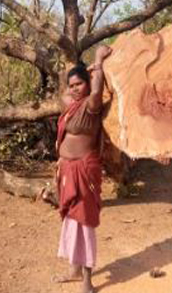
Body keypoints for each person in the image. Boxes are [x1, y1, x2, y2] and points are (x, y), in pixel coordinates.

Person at [52, 45, 112, 293]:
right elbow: (65, 94)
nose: (75, 89)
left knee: (84, 222)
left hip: (84, 170)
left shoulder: (90, 106)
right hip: (67, 169)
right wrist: (86, 73)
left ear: (88, 84)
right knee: (71, 220)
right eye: (72, 85)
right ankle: (74, 269)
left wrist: (98, 60)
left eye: (80, 84)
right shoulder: (71, 103)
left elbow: (97, 89)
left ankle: (87, 279)